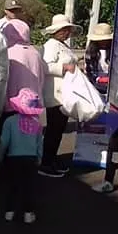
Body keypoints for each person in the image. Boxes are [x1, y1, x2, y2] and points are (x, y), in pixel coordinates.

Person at [0, 88, 45, 224]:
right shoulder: (37, 123)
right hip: (31, 159)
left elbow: (4, 142)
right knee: (29, 187)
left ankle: (9, 212)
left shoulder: (10, 122)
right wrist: (39, 157)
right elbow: (39, 143)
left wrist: (0, 156)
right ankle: (28, 214)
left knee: (14, 185)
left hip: (13, 158)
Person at [40, 14, 80, 178]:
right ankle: (46, 163)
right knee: (53, 130)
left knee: (58, 129)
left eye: (68, 30)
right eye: (64, 30)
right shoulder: (50, 45)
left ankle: (51, 159)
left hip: (63, 93)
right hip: (55, 95)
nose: (67, 33)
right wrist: (65, 67)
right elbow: (46, 67)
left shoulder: (62, 45)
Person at [0, 19, 46, 136]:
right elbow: (41, 78)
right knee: (29, 135)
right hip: (31, 104)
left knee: (10, 138)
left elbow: (2, 79)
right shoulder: (35, 53)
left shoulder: (7, 53)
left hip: (12, 104)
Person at [84, 22, 113, 94]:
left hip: (112, 85)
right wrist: (98, 79)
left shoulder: (114, 51)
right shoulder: (90, 52)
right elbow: (89, 71)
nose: (103, 42)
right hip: (96, 85)